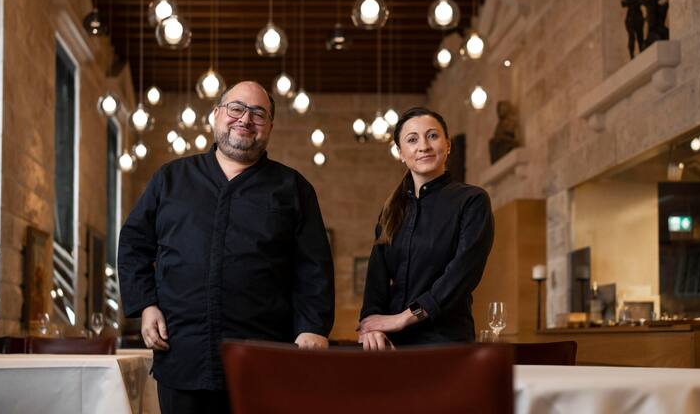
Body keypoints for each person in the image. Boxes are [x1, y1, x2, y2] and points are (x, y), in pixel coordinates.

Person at [118, 81, 334, 414]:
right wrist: (146, 304)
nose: (245, 120)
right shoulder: (171, 179)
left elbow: (314, 266)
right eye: (236, 108)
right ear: (217, 115)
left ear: (270, 127)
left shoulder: (293, 188)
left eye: (258, 113)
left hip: (263, 357)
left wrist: (313, 327)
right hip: (183, 354)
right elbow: (134, 243)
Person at [358, 107, 494, 350]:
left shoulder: (472, 201)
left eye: (432, 136)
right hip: (391, 346)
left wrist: (404, 318)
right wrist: (371, 325)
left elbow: (461, 275)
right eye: (412, 140)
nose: (423, 146)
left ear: (448, 145)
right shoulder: (390, 211)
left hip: (446, 343)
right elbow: (375, 280)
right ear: (401, 153)